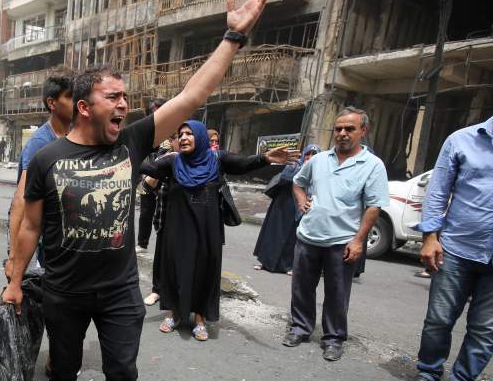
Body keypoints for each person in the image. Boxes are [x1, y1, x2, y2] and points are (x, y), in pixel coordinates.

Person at [3, 0, 277, 381]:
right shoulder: (46, 158)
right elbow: (29, 225)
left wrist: (233, 36)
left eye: (126, 97)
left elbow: (194, 96)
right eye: (115, 97)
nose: (125, 104)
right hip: (61, 290)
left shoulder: (132, 142)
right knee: (61, 370)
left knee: (122, 373)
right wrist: (14, 278)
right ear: (84, 106)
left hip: (118, 291)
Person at [143, 121, 297, 340]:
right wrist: (139, 146)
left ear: (200, 137)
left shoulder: (217, 159)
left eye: (189, 134)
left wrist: (264, 158)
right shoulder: (172, 162)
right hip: (177, 230)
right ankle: (174, 314)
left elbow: (242, 164)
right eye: (180, 134)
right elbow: (145, 167)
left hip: (208, 231)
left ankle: (199, 319)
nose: (184, 137)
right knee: (176, 270)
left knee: (205, 271)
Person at [398, 116, 493, 381]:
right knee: (439, 319)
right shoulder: (462, 139)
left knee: (485, 330)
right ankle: (428, 372)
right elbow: (437, 191)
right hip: (456, 249)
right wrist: (430, 237)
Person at [282, 107, 389, 361]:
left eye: (349, 129)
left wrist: (359, 240)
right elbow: (298, 182)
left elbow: (373, 206)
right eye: (338, 129)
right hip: (309, 236)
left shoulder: (372, 165)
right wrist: (301, 202)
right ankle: (300, 328)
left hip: (342, 241)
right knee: (302, 288)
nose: (342, 133)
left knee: (337, 293)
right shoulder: (319, 160)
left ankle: (333, 338)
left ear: (363, 131)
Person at [6, 67, 74, 274]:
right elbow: (20, 201)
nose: (78, 103)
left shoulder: (77, 135)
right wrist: (13, 259)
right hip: (46, 242)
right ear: (52, 103)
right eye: (71, 97)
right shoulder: (40, 144)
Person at [254, 144, 320, 274]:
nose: (310, 157)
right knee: (273, 233)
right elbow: (284, 178)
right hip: (283, 203)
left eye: (314, 155)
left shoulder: (320, 170)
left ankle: (288, 266)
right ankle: (265, 262)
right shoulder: (294, 164)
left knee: (292, 237)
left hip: (301, 206)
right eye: (308, 154)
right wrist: (300, 169)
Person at [142, 133, 177, 306]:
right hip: (165, 217)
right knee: (161, 256)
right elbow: (146, 186)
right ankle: (157, 291)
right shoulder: (166, 159)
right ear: (173, 142)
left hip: (186, 221)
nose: (184, 139)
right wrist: (163, 165)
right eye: (179, 136)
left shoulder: (195, 162)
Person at [136, 99, 166, 258]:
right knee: (146, 211)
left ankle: (167, 244)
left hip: (166, 178)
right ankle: (142, 243)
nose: (158, 113)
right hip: (147, 177)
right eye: (154, 111)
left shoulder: (172, 129)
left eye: (161, 109)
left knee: (166, 213)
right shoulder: (145, 132)